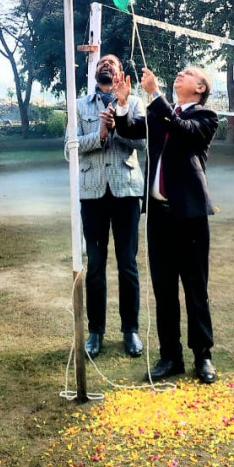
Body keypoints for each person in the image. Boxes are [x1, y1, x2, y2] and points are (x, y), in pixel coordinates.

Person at [113, 64, 219, 384]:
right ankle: (170, 356)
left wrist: (155, 94)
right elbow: (131, 130)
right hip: (159, 216)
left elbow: (184, 130)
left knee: (195, 289)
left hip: (190, 215)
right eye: (180, 72)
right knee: (164, 289)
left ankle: (203, 356)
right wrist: (122, 103)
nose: (180, 75)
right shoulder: (163, 112)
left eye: (188, 74)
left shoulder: (206, 116)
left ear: (200, 88)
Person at [68, 54, 146, 359]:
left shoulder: (135, 103)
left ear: (120, 73)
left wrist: (120, 121)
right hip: (93, 193)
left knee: (127, 264)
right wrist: (100, 134)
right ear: (95, 72)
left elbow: (143, 143)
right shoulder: (79, 105)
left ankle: (130, 331)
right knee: (96, 265)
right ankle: (95, 332)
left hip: (126, 191)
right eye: (102, 63)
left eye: (112, 63)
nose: (105, 65)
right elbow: (70, 147)